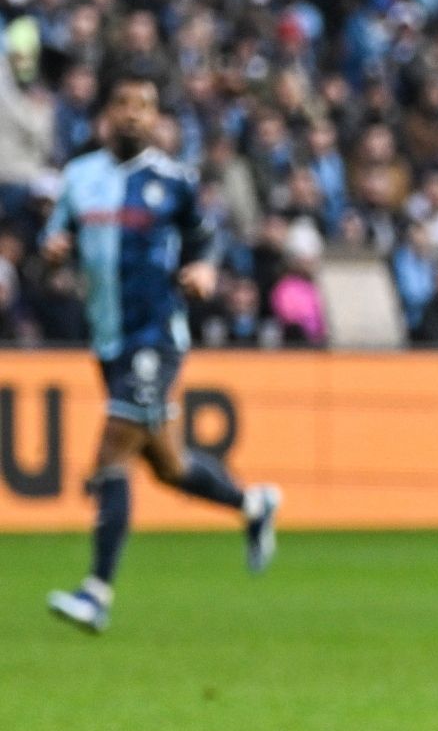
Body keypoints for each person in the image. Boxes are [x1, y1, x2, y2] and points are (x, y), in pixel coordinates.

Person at [41, 73, 281, 634]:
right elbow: (58, 235)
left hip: (155, 337)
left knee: (113, 453)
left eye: (144, 106)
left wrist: (203, 267)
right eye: (123, 103)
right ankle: (253, 505)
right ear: (106, 113)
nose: (133, 114)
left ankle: (96, 592)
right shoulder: (79, 178)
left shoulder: (173, 182)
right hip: (108, 340)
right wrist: (53, 249)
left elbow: (206, 239)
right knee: (168, 466)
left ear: (156, 119)